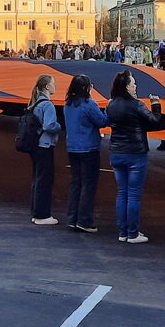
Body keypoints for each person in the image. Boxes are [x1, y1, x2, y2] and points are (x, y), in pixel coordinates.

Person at [107, 70, 163, 244]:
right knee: (133, 195)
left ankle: (123, 231)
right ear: (127, 87)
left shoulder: (111, 104)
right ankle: (133, 233)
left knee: (122, 193)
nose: (135, 86)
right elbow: (154, 121)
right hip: (135, 153)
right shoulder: (137, 105)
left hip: (116, 151)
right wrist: (156, 105)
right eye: (133, 83)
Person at [63, 74, 108, 233]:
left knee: (76, 183)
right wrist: (107, 109)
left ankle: (72, 218)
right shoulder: (89, 104)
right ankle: (84, 220)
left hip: (72, 147)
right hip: (89, 148)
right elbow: (102, 122)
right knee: (88, 185)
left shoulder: (68, 104)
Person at [23, 75, 62, 224]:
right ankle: (42, 214)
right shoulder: (48, 105)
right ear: (47, 87)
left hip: (35, 145)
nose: (55, 86)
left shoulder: (35, 103)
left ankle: (36, 211)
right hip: (45, 144)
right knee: (45, 180)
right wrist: (59, 127)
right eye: (53, 83)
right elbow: (49, 125)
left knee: (37, 178)